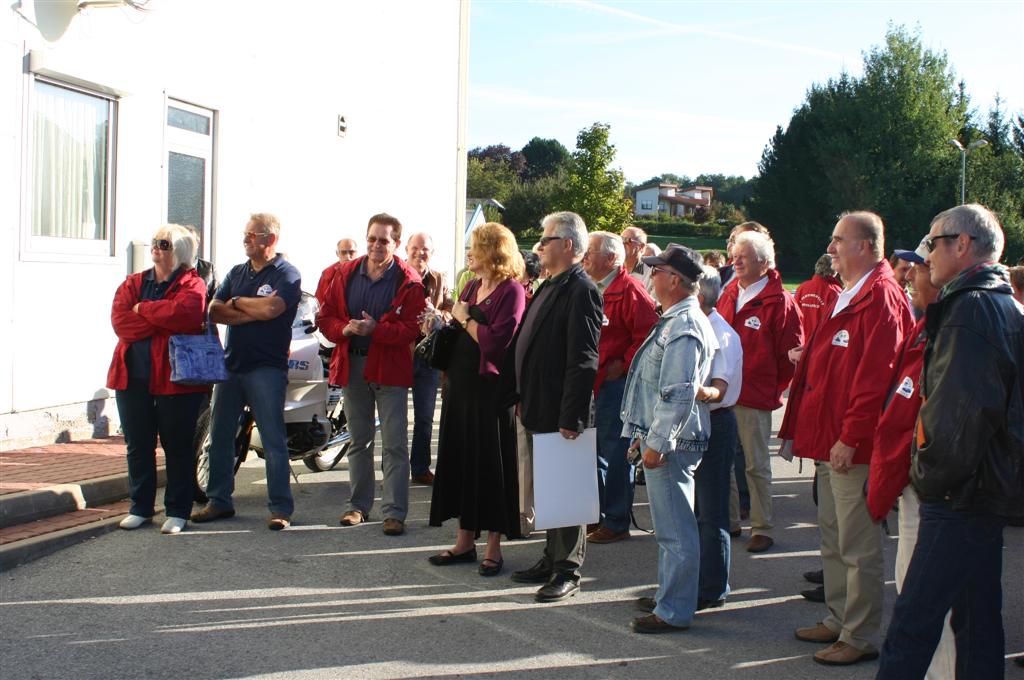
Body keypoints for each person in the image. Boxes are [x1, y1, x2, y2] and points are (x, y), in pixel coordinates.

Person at [877, 204, 1024, 679]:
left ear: (963, 245)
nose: (927, 253)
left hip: (958, 496)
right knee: (977, 622)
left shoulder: (971, 308)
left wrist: (926, 476)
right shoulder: (997, 302)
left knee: (912, 626)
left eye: (935, 241)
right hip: (982, 491)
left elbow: (960, 417)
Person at [780, 211, 913, 666]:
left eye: (838, 240)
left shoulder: (881, 299)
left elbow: (875, 380)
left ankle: (859, 634)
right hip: (829, 439)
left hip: (849, 446)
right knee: (834, 539)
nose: (830, 248)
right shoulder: (852, 293)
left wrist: (850, 438)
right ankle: (838, 620)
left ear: (864, 246)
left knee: (858, 546)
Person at [865, 245, 956, 679]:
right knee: (912, 589)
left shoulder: (950, 331)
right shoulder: (925, 327)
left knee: (933, 604)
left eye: (919, 269)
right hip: (912, 481)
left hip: (929, 485)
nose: (909, 278)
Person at [620, 245, 717, 633]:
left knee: (676, 530)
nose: (651, 277)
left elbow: (677, 392)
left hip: (673, 443)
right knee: (670, 528)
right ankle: (670, 597)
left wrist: (657, 442)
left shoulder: (685, 324)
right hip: (667, 440)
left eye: (657, 271)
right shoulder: (678, 318)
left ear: (675, 280)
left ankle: (674, 610)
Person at [508, 211, 602, 603]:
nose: (538, 247)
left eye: (545, 240)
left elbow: (584, 358)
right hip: (537, 403)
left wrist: (572, 416)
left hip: (561, 410)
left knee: (565, 489)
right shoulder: (550, 284)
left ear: (567, 245)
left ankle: (568, 569)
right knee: (548, 487)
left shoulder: (582, 289)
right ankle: (551, 558)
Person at [191, 213, 302, 530]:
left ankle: (280, 508)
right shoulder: (237, 271)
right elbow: (214, 309)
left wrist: (239, 302)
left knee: (272, 440)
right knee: (219, 437)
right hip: (232, 365)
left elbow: (273, 309)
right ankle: (219, 501)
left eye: (252, 234)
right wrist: (250, 312)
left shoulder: (286, 273)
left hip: (266, 368)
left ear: (271, 239)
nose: (246, 238)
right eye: (246, 233)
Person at [317, 213, 425, 536]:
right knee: (359, 440)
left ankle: (394, 512)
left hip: (389, 366)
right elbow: (326, 318)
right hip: (354, 363)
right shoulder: (344, 274)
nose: (377, 246)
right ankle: (358, 506)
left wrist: (377, 330)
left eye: (385, 240)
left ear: (396, 244)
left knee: (394, 443)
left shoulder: (409, 282)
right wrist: (345, 328)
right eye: (372, 239)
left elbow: (411, 330)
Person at [427, 223, 526, 576]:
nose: (469, 253)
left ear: (493, 251)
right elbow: (460, 331)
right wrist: (443, 322)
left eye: (475, 247)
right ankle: (464, 541)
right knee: (463, 462)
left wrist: (465, 316)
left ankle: (493, 548)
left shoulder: (511, 291)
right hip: (460, 389)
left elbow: (497, 343)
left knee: (490, 467)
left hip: (490, 393)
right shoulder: (471, 284)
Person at [107, 224, 209, 535]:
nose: (156, 248)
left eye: (163, 244)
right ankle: (140, 507)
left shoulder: (193, 284)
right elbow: (122, 323)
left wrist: (144, 310)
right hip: (132, 376)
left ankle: (177, 510)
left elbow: (187, 315)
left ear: (178, 251)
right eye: (155, 242)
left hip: (176, 378)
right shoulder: (133, 283)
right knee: (138, 444)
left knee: (176, 445)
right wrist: (161, 318)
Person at [716, 230, 803, 553]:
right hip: (724, 394)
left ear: (764, 263)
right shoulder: (729, 293)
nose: (735, 261)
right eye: (734, 255)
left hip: (754, 396)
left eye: (743, 257)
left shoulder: (780, 302)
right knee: (722, 462)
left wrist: (769, 388)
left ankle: (762, 526)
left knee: (756, 465)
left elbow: (790, 356)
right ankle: (729, 521)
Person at [581, 231, 658, 544]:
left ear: (611, 258)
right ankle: (597, 515)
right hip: (594, 381)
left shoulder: (630, 290)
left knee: (615, 451)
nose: (584, 257)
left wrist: (622, 365)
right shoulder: (593, 287)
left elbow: (648, 336)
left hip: (616, 384)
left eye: (591, 252)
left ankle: (615, 520)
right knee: (595, 450)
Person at [694, 265, 742, 610]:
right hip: (701, 420)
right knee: (697, 510)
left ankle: (712, 587)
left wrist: (692, 390)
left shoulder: (721, 333)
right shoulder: (700, 326)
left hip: (715, 421)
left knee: (711, 512)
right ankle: (696, 583)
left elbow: (719, 388)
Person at [405, 232, 452, 486]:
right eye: (415, 248)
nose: (419, 253)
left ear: (431, 253)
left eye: (425, 249)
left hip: (427, 356)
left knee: (424, 417)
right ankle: (394, 469)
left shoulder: (438, 278)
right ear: (406, 249)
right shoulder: (396, 276)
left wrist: (440, 316)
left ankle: (420, 468)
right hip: (400, 354)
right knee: (395, 418)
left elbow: (449, 307)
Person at [794, 254, 842, 338]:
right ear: (834, 270)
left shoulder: (802, 287)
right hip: (821, 342)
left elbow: (794, 316)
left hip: (801, 340)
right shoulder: (835, 292)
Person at [315, 238, 358, 305]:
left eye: (351, 252)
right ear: (337, 253)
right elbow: (319, 303)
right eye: (343, 252)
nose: (348, 257)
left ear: (356, 253)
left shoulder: (367, 272)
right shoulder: (327, 274)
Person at [185, 224, 218, 307]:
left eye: (190, 241)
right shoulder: (170, 268)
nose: (186, 245)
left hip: (201, 318)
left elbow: (217, 301)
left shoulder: (209, 269)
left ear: (197, 244)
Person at [621, 226, 654, 294]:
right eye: (621, 239)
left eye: (627, 240)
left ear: (641, 247)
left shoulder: (652, 274)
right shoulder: (612, 269)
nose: (622, 243)